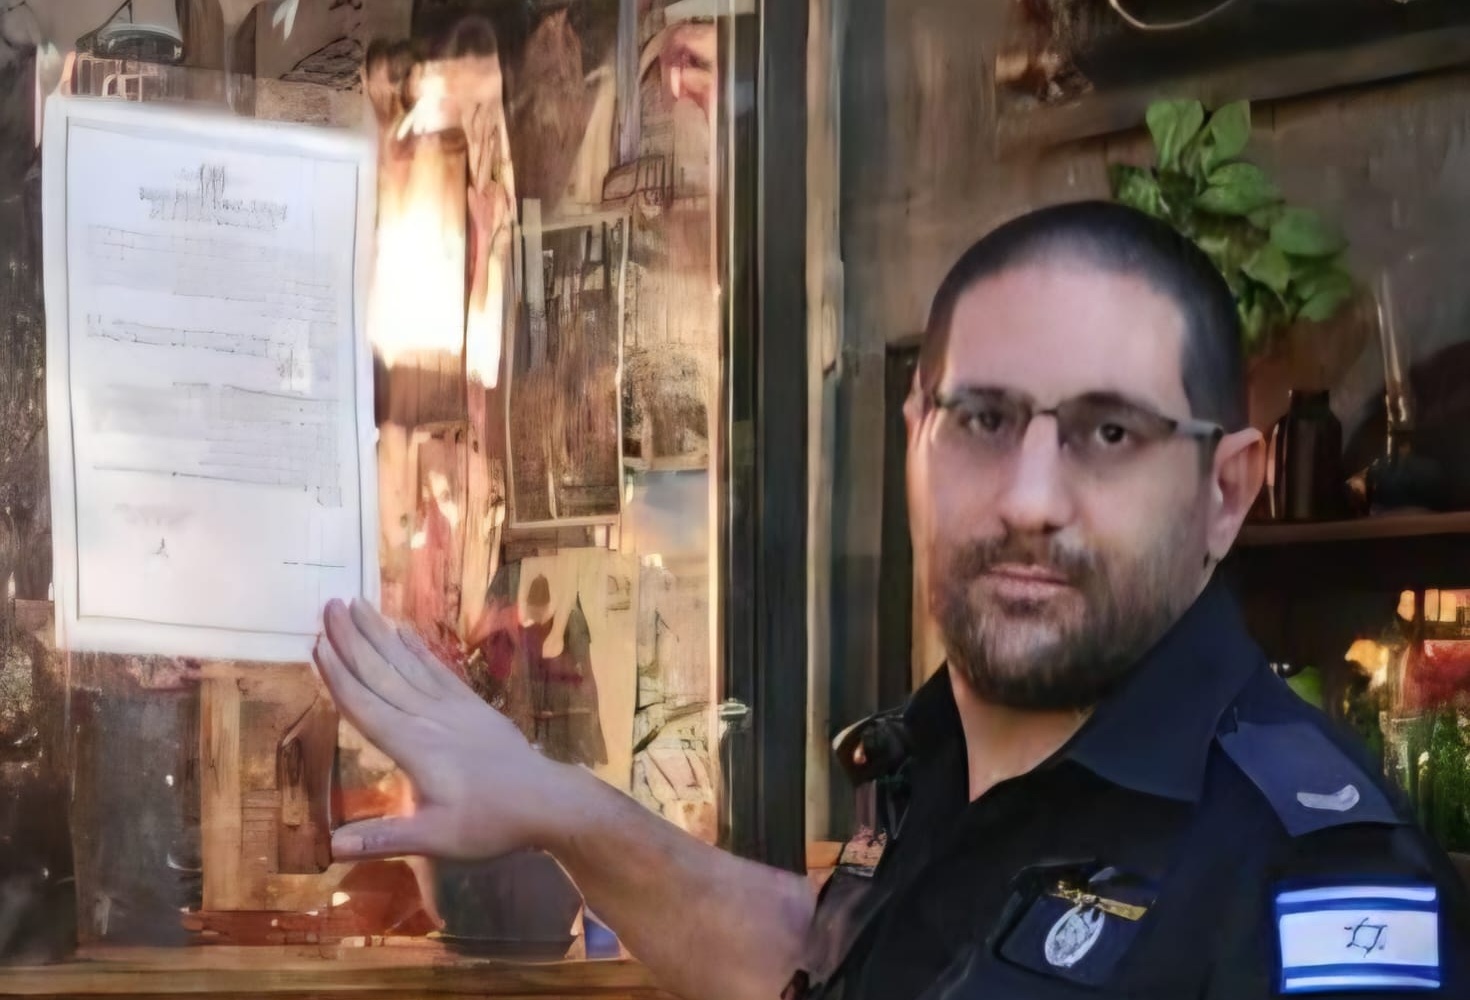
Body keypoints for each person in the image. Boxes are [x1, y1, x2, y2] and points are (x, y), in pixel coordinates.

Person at [311, 201, 1470, 1000]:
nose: (1029, 498)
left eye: (1111, 432)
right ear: (914, 438)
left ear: (1226, 492)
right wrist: (554, 801)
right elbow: (813, 957)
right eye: (984, 419)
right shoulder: (942, 767)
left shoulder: (1314, 880)